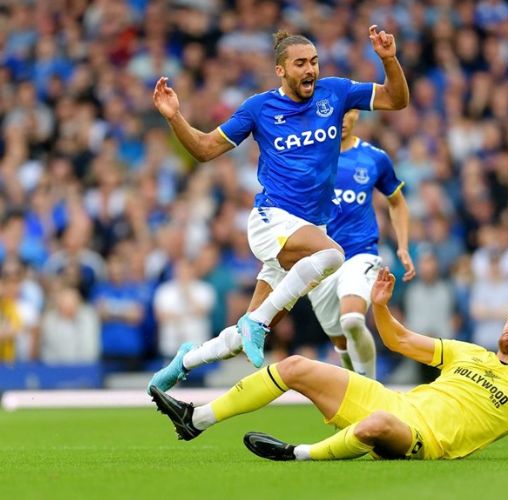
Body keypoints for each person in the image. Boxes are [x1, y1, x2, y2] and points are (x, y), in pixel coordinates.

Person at [147, 25, 409, 392]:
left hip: (307, 233)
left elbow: (396, 99)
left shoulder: (335, 92)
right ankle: (257, 324)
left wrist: (389, 60)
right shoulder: (259, 108)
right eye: (300, 63)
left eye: (314, 61)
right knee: (333, 255)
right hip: (272, 220)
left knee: (243, 336)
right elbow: (204, 149)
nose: (310, 69)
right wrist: (174, 116)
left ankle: (183, 362)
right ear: (280, 70)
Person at [150, 268, 508, 462]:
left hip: (424, 439)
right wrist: (381, 306)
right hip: (394, 402)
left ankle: (298, 454)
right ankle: (197, 419)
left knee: (377, 425)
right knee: (296, 366)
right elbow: (398, 339)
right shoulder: (469, 352)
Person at [307, 108, 415, 379]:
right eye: (337, 113)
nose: (342, 120)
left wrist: (402, 245)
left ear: (357, 113)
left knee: (352, 320)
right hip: (319, 259)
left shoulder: (374, 158)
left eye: (348, 112)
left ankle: (370, 388)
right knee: (341, 341)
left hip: (360, 253)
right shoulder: (308, 155)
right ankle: (355, 389)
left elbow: (397, 202)